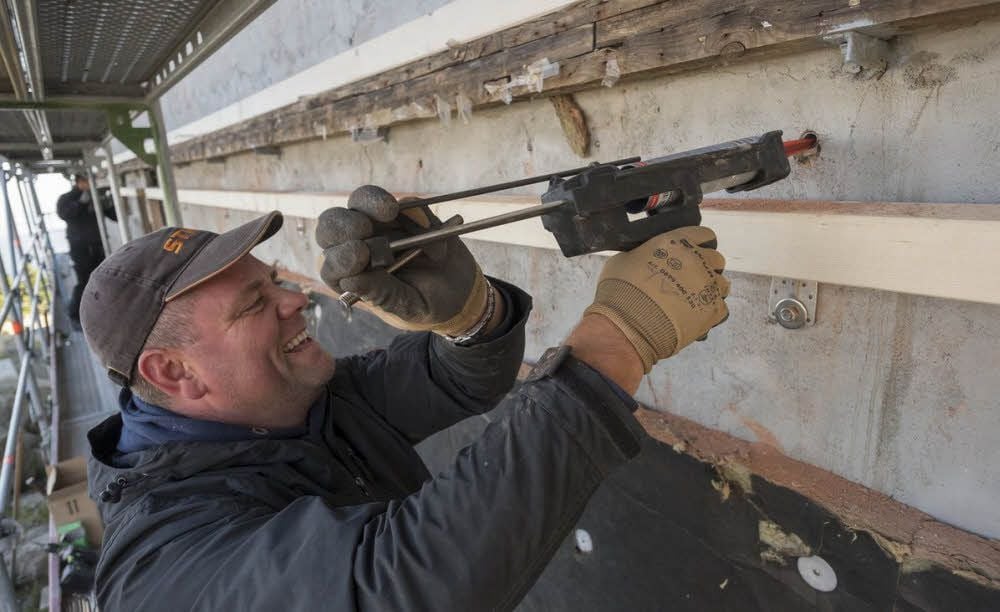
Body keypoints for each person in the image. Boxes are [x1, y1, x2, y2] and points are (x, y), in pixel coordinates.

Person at [81, 185, 730, 611]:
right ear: (174, 374)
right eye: (256, 304)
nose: (296, 299)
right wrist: (617, 341)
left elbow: (456, 379)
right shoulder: (162, 569)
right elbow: (399, 589)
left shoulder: (286, 407)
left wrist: (471, 313)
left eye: (274, 280)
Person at [56, 173, 117, 326]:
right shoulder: (67, 198)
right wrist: (81, 202)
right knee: (84, 280)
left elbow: (114, 216)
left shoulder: (95, 197)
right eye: (87, 180)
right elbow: (64, 214)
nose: (91, 183)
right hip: (80, 247)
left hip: (97, 244)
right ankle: (74, 315)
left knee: (101, 278)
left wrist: (109, 204)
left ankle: (101, 311)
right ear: (79, 182)